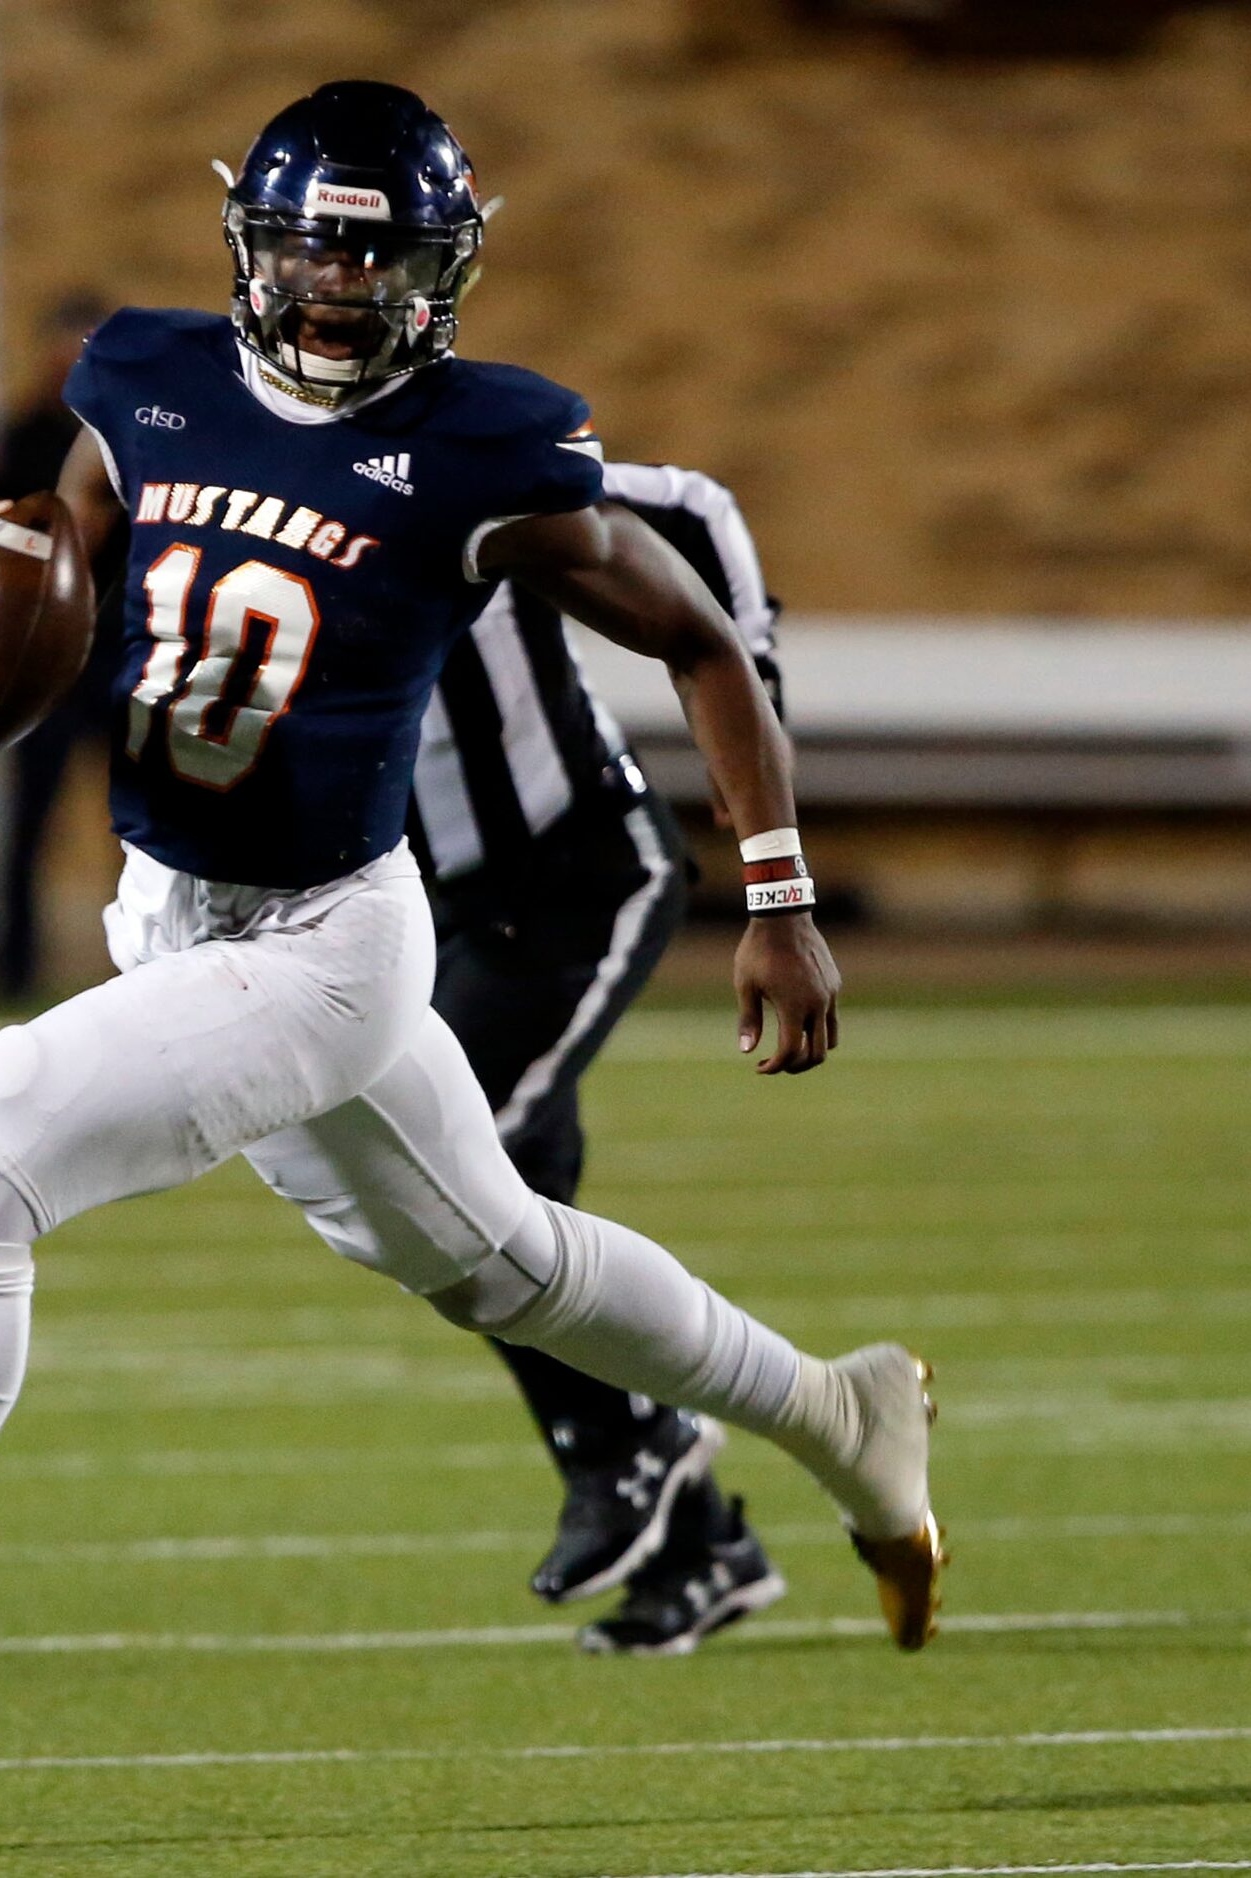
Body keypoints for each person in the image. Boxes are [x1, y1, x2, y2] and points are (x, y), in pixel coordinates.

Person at [0, 81, 944, 1760]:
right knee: (510, 1264)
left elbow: (695, 636)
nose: (338, 289)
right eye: (311, 252)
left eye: (377, 257)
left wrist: (775, 895)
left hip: (326, 939)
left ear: (439, 267)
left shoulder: (485, 440)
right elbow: (54, 601)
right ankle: (841, 1414)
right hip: (163, 907)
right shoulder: (138, 378)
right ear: (250, 248)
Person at [415, 457, 793, 1653]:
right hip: (415, 905)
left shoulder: (465, 433)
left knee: (457, 1177)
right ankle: (701, 1548)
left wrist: (758, 696)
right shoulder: (219, 460)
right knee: (513, 1212)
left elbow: (694, 505)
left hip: (570, 870)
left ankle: (638, 1449)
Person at [0, 290, 131, 1000]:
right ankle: (10, 970)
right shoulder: (17, 441)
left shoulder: (137, 441)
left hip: (122, 658)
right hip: (47, 663)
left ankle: (145, 970)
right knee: (27, 823)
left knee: (139, 831)